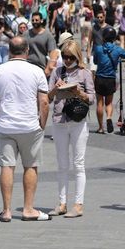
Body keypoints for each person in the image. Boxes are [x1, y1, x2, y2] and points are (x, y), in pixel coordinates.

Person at [0, 36, 51, 222]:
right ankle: (28, 209)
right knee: (30, 165)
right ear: (27, 51)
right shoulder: (37, 71)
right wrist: (42, 124)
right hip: (30, 126)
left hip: (6, 125)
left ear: (9, 50)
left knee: (7, 165)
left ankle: (6, 211)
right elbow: (44, 101)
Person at [47, 40, 95, 218]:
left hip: (78, 121)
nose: (67, 60)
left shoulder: (85, 73)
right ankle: (62, 203)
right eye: (64, 57)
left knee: (79, 164)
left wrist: (78, 92)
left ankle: (78, 204)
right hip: (59, 120)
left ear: (77, 57)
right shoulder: (57, 72)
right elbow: (48, 97)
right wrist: (55, 89)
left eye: (70, 57)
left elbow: (91, 98)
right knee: (62, 164)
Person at [92, 27, 125, 133]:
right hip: (111, 78)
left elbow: (95, 61)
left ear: (103, 37)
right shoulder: (117, 49)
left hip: (100, 77)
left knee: (99, 103)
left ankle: (101, 127)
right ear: (114, 38)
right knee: (109, 103)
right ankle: (109, 117)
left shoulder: (98, 48)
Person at [24, 12, 59, 79]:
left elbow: (53, 53)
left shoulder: (48, 35)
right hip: (28, 67)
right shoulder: (26, 34)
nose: (34, 22)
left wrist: (48, 69)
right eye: (33, 20)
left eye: (37, 20)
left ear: (41, 21)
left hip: (42, 68)